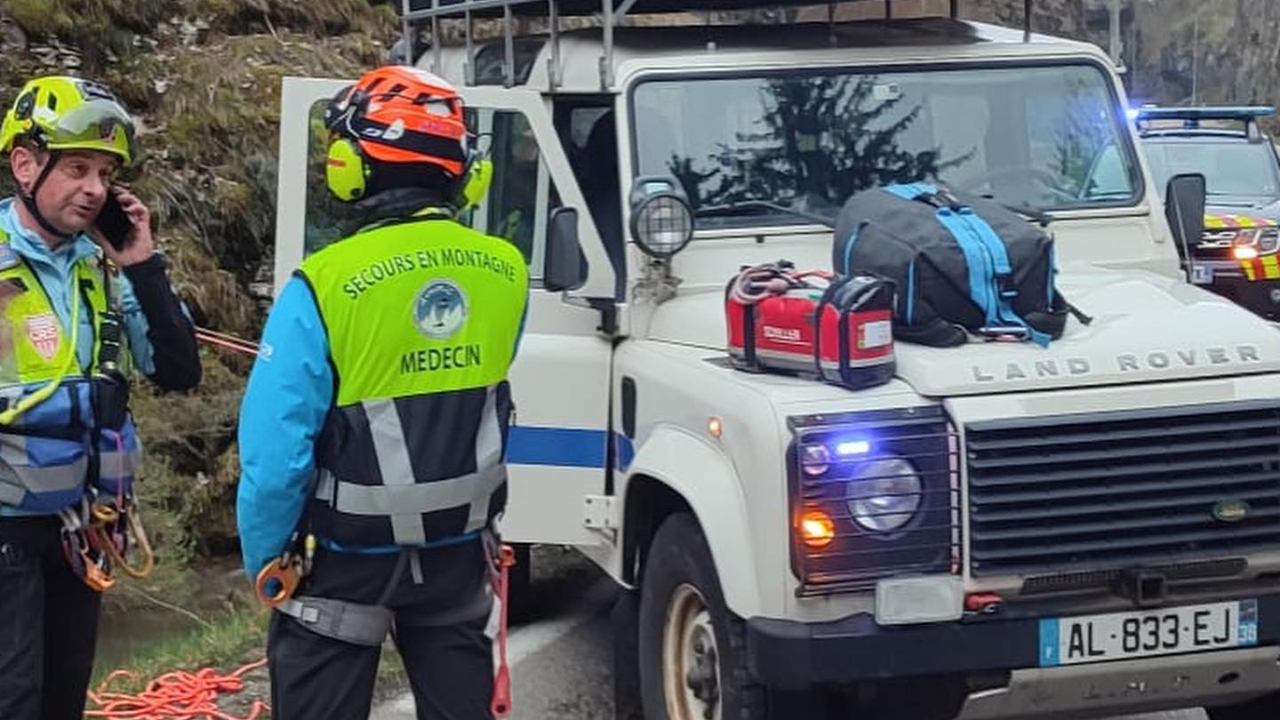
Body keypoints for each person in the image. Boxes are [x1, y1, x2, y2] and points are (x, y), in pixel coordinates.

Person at [236, 65, 529, 720]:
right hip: (458, 556)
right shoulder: (507, 271)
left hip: (341, 565)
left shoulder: (321, 284)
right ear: (464, 172)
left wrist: (267, 559)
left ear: (349, 166)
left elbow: (275, 456)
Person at [0, 75, 201, 720]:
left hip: (81, 526)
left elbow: (177, 369)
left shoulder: (104, 265)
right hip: (4, 527)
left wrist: (143, 262)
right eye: (79, 168)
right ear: (26, 165)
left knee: (61, 699)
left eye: (106, 173)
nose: (95, 189)